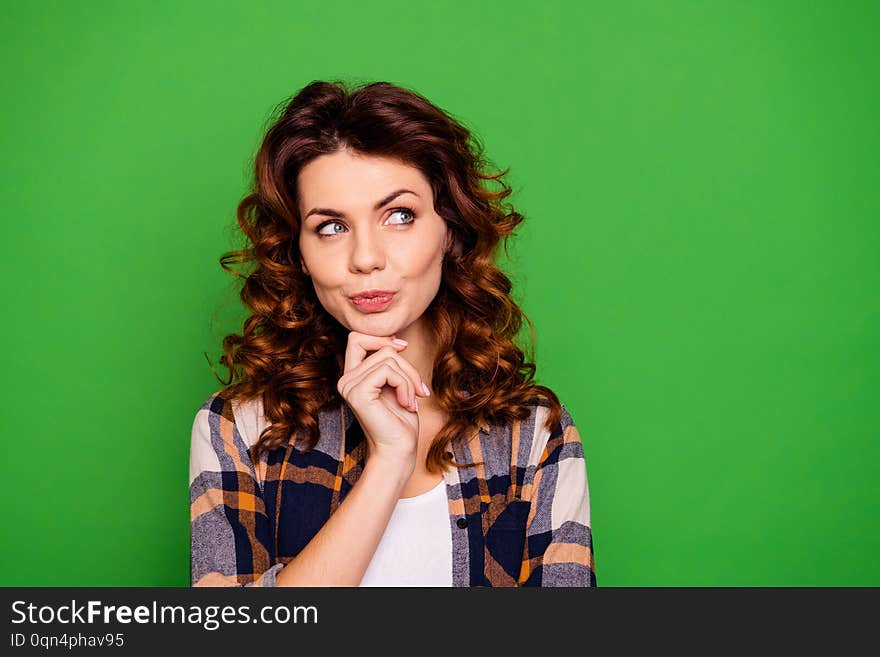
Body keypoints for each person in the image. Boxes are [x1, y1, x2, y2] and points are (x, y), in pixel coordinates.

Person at [189, 79, 596, 587]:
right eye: (331, 227)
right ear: (298, 250)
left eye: (399, 216)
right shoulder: (242, 428)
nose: (365, 258)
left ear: (449, 228)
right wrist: (388, 463)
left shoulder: (533, 434)